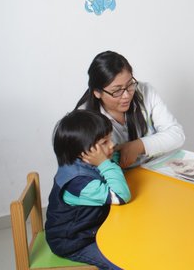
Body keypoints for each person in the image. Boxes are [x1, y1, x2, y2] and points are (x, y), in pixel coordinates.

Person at [45, 110, 130, 270]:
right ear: (83, 152)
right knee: (124, 263)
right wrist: (105, 163)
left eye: (110, 139)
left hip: (92, 229)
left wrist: (109, 158)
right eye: (104, 142)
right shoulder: (77, 182)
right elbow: (120, 196)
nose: (111, 145)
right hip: (74, 242)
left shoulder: (83, 161)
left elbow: (116, 162)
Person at [76, 51, 185, 168]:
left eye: (129, 85)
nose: (127, 95)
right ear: (97, 92)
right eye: (117, 91)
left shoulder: (144, 91)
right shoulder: (84, 120)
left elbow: (177, 135)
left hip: (158, 169)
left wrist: (139, 145)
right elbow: (97, 167)